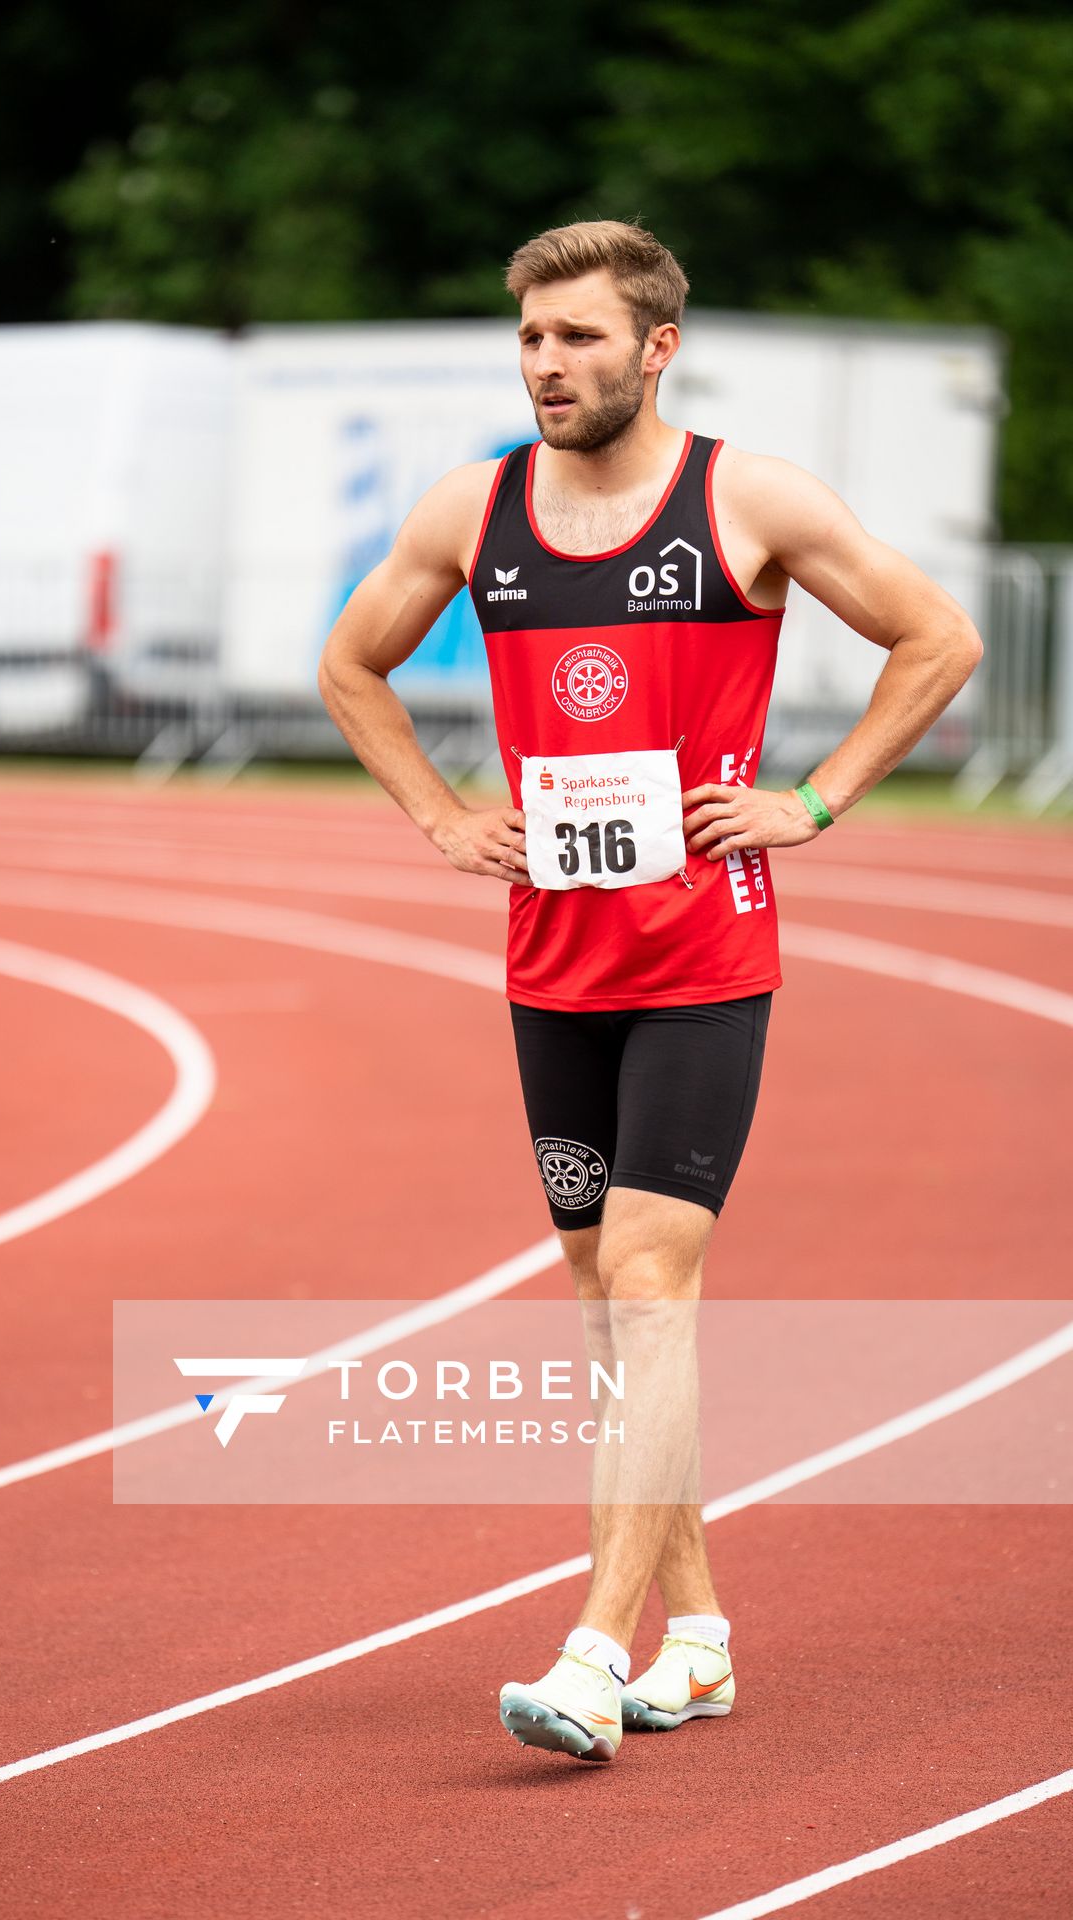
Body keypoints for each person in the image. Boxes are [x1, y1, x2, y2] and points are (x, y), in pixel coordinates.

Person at [318, 218, 982, 1764]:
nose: (550, 366)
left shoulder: (741, 498)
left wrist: (812, 801)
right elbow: (351, 666)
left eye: (582, 340)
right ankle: (696, 1637)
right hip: (553, 965)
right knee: (606, 1318)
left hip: (702, 959)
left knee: (649, 1288)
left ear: (656, 348)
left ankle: (594, 1656)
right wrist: (436, 812)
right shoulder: (476, 510)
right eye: (533, 341)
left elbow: (935, 639)